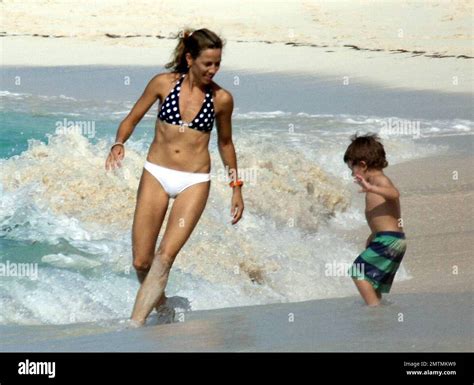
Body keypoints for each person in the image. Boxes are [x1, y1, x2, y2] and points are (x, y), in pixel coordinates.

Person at [105, 28, 244, 326]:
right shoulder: (162, 84)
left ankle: (134, 324)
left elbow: (225, 143)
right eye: (208, 63)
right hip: (156, 173)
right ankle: (163, 305)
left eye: (217, 63)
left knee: (165, 256)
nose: (213, 70)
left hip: (194, 182)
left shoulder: (221, 99)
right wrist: (119, 143)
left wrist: (236, 186)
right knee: (142, 261)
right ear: (190, 58)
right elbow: (131, 119)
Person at [343, 133, 406, 306]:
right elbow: (383, 215)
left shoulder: (380, 180)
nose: (352, 174)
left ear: (362, 165)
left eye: (352, 169)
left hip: (389, 240)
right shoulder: (376, 183)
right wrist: (374, 235)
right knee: (372, 281)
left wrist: (371, 187)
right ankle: (379, 312)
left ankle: (374, 310)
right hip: (386, 238)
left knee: (358, 271)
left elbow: (394, 193)